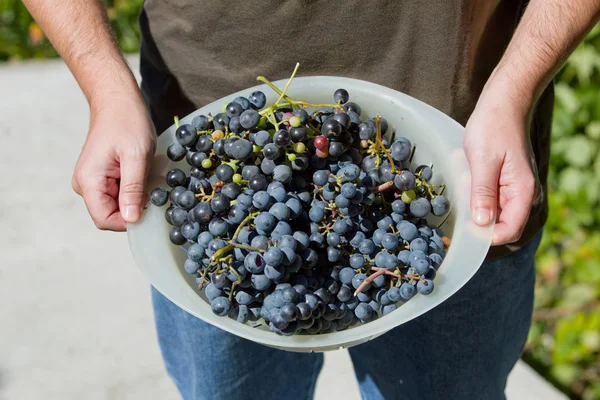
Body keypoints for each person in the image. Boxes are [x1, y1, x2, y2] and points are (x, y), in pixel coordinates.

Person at [23, 0, 600, 398]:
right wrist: (104, 83)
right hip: (204, 156)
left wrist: (516, 87)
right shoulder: (225, 234)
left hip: (468, 163)